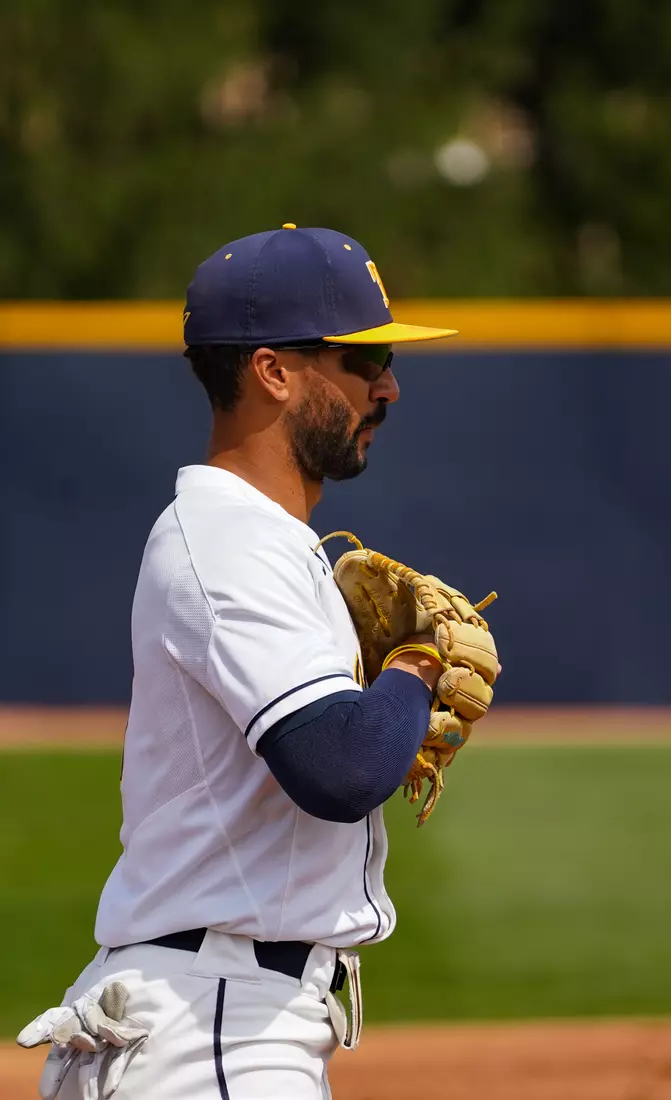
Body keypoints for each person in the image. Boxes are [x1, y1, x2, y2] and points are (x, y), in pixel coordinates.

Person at [18, 224, 459, 1099]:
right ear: (273, 371)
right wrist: (413, 668)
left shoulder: (263, 540)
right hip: (214, 1027)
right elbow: (343, 767)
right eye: (365, 359)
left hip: (218, 1015)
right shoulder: (227, 538)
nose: (389, 386)